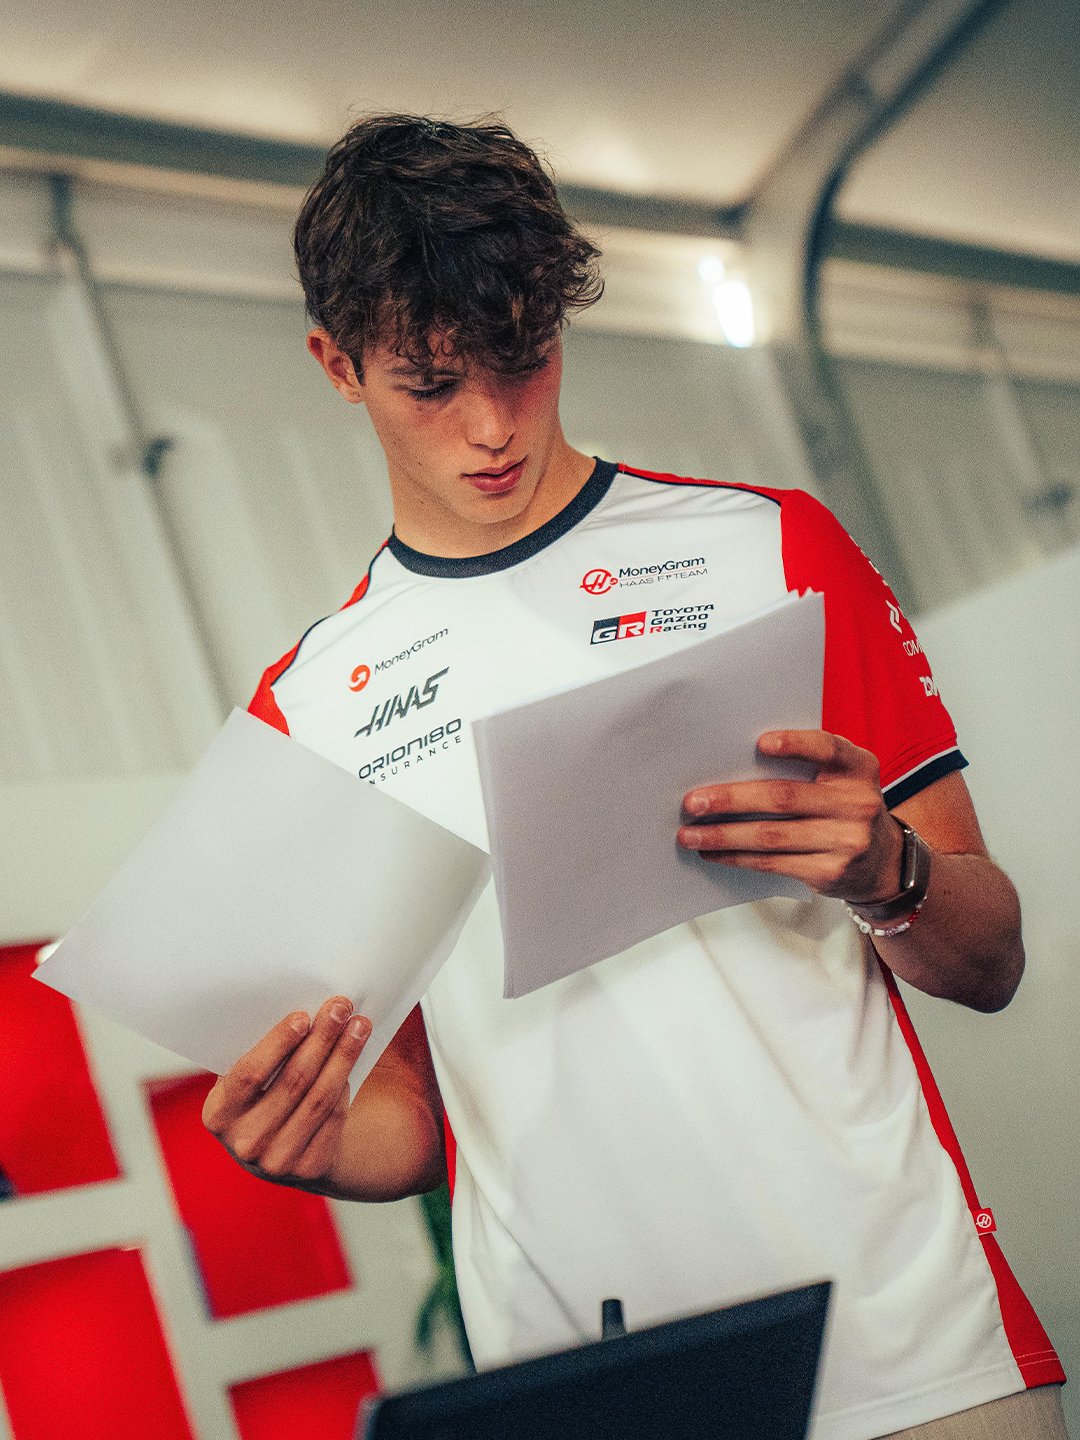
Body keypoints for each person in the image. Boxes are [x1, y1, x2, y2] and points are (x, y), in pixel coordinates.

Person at [202, 114, 1067, 1439]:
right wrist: (312, 1146)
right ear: (338, 365)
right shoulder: (305, 709)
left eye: (524, 357)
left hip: (909, 1346)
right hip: (593, 1387)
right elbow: (419, 1122)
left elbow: (988, 958)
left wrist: (890, 873)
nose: (493, 424)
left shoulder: (771, 548)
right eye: (432, 384)